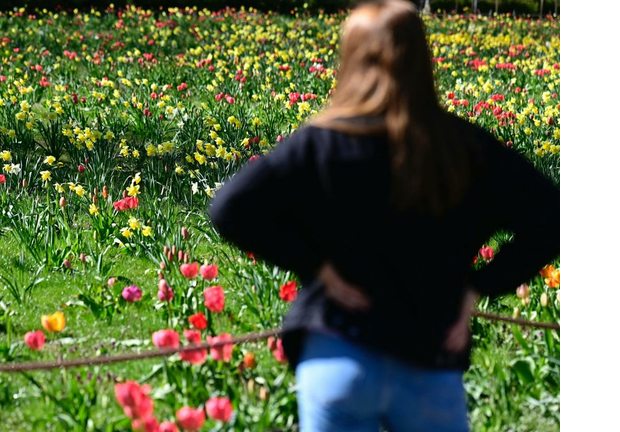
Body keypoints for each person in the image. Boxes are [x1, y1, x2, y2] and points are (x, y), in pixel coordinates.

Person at [208, 0, 559, 431]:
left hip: (338, 352)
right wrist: (479, 287)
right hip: (428, 355)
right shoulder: (463, 147)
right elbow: (554, 216)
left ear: (351, 61)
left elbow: (228, 208)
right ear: (422, 61)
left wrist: (317, 268)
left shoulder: (319, 143)